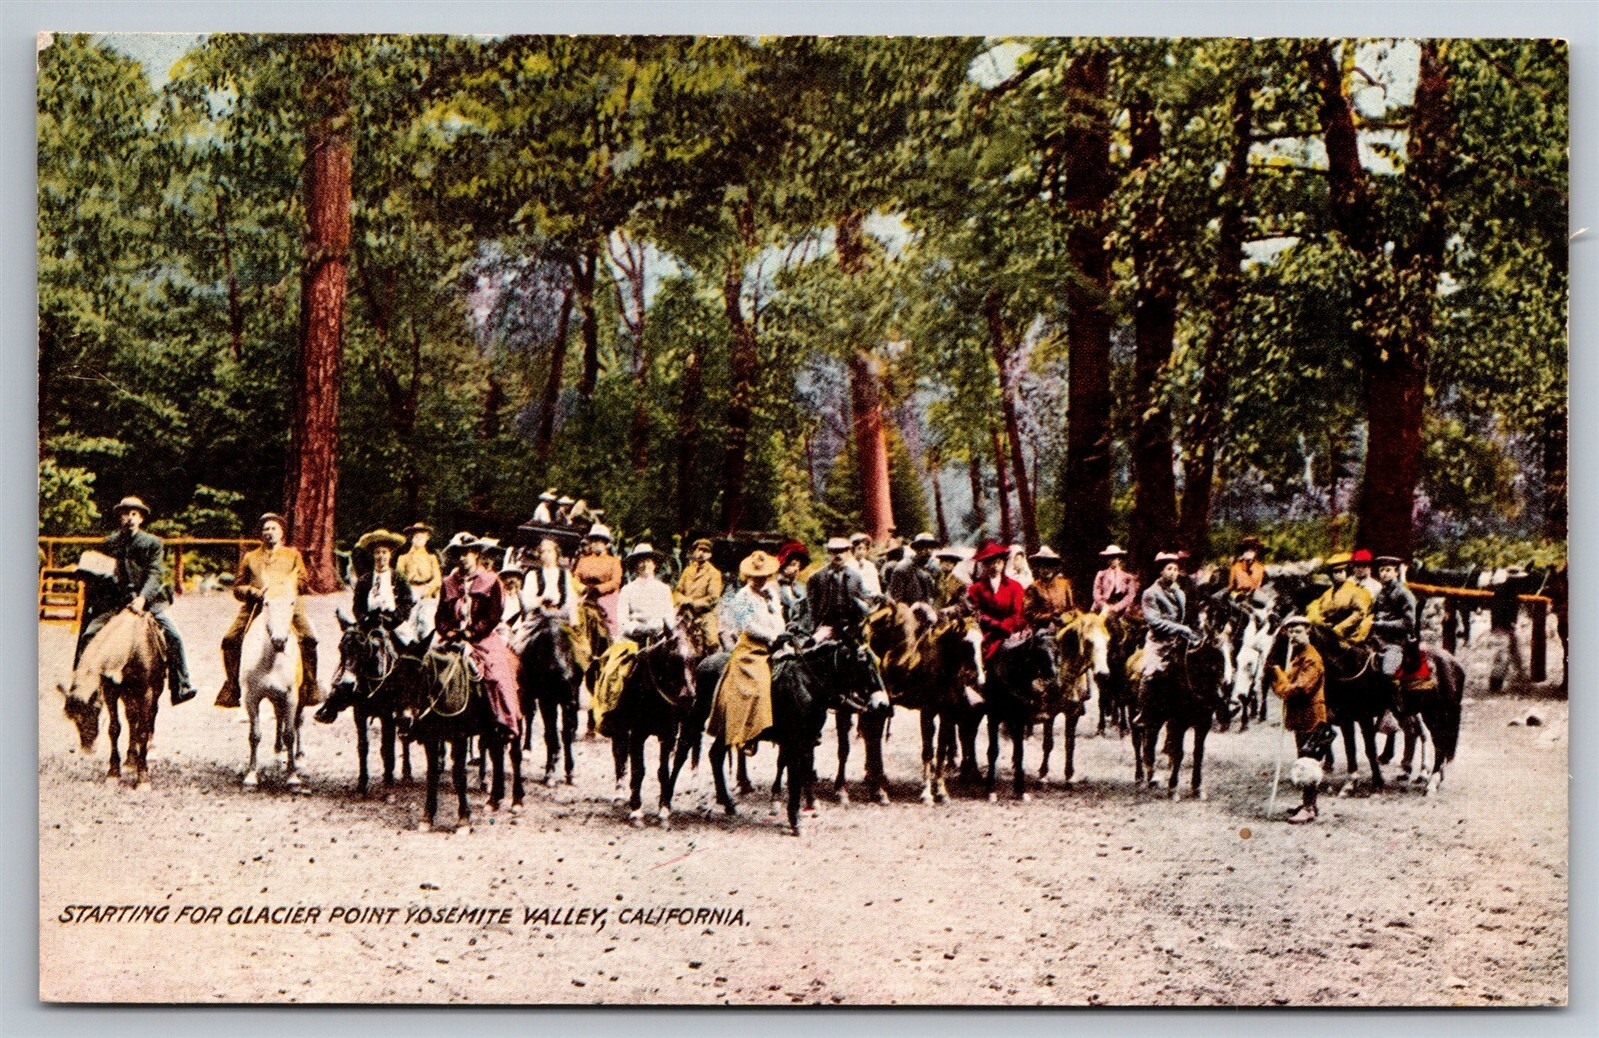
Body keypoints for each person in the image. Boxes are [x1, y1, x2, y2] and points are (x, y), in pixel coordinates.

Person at [74, 496, 197, 705]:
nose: (129, 518)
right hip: (116, 604)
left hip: (145, 603)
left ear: (141, 519)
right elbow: (102, 570)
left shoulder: (153, 543)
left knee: (173, 636)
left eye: (134, 514)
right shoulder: (111, 543)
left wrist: (142, 598)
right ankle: (82, 684)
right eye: (125, 514)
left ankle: (181, 684)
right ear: (119, 518)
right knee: (89, 634)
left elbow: (154, 573)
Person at [216, 513, 320, 708]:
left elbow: (304, 582)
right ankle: (233, 687)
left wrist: (287, 587)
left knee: (308, 637)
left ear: (281, 533)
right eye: (266, 529)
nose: (269, 533)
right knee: (230, 639)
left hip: (287, 605)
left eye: (273, 529)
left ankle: (309, 684)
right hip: (257, 605)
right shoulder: (251, 557)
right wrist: (252, 592)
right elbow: (238, 587)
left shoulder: (292, 555)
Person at [315, 528, 414, 724]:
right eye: (377, 553)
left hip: (393, 624)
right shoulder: (365, 580)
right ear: (372, 556)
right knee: (351, 645)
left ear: (390, 555)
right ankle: (335, 698)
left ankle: (407, 704)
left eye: (384, 553)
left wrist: (394, 618)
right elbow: (357, 605)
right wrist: (364, 619)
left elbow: (406, 602)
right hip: (369, 624)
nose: (381, 557)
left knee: (411, 651)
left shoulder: (398, 578)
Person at [432, 534, 520, 741]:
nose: (462, 558)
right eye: (459, 554)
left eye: (467, 553)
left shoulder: (491, 581)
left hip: (482, 638)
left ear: (476, 554)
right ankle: (424, 719)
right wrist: (449, 632)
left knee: (496, 674)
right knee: (429, 665)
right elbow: (441, 615)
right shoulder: (448, 582)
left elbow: (494, 614)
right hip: (453, 638)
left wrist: (473, 632)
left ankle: (503, 721)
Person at [591, 544, 679, 737]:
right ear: (635, 566)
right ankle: (612, 713)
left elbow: (670, 616)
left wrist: (661, 627)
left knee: (681, 666)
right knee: (615, 671)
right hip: (633, 640)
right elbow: (623, 620)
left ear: (655, 565)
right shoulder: (628, 590)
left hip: (658, 639)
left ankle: (678, 714)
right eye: (640, 561)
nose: (644, 565)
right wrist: (639, 628)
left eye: (648, 561)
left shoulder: (664, 589)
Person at [709, 551, 786, 755]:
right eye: (756, 577)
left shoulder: (771, 594)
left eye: (764, 577)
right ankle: (748, 734)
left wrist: (774, 609)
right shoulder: (742, 597)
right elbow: (748, 626)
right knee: (757, 685)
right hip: (752, 647)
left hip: (776, 643)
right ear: (748, 577)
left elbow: (780, 622)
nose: (760, 581)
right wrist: (771, 637)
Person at [1272, 615, 1333, 824]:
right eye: (1290, 632)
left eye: (1298, 631)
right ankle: (1309, 803)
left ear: (1308, 632)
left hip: (1312, 717)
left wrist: (1278, 678)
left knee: (1309, 762)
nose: (1294, 635)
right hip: (1301, 717)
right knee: (1304, 758)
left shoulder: (1311, 658)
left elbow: (1300, 688)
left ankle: (1308, 809)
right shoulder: (1297, 655)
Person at [1139, 552, 1199, 684]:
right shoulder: (1150, 593)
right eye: (1169, 569)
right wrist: (1182, 628)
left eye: (1176, 569)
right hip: (1159, 643)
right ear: (1161, 571)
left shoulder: (1180, 593)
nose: (1173, 572)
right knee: (1149, 675)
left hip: (1179, 641)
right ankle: (1142, 704)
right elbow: (1155, 622)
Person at [571, 524, 623, 674]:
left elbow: (615, 582)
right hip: (585, 594)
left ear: (606, 544)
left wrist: (599, 589)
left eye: (600, 541)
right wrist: (583, 589)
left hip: (604, 595)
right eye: (594, 541)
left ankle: (611, 657)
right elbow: (575, 578)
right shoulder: (584, 560)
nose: (596, 544)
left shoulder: (614, 561)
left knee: (611, 624)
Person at [1370, 555, 1419, 713]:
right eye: (1381, 570)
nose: (1384, 574)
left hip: (1396, 642)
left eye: (1388, 570)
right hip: (1375, 640)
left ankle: (1397, 709)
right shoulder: (1381, 593)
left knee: (1388, 672)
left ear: (1397, 572)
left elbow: (1408, 623)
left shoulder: (1404, 594)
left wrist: (1381, 624)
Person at [966, 541, 1027, 660]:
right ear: (984, 565)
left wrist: (1005, 627)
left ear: (1004, 562)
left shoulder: (1015, 587)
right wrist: (991, 623)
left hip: (1010, 633)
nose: (995, 565)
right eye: (990, 561)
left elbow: (1017, 613)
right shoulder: (976, 589)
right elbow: (976, 612)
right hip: (986, 634)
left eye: (998, 560)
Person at [1305, 551, 1374, 645]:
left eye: (1342, 571)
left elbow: (1359, 613)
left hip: (1348, 634)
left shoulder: (1358, 591)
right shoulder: (1327, 593)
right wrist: (1318, 621)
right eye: (1335, 572)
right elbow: (1317, 608)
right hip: (1327, 632)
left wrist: (1340, 628)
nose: (1339, 574)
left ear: (1347, 572)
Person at [807, 537, 867, 642]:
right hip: (825, 624)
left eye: (842, 551)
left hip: (850, 625)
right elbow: (810, 605)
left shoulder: (855, 577)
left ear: (849, 553)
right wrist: (813, 627)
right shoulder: (817, 577)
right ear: (829, 553)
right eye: (834, 551)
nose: (838, 555)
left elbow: (861, 600)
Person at [676, 537, 724, 653]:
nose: (702, 554)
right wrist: (683, 600)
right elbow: (678, 591)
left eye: (706, 551)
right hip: (684, 611)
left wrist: (693, 603)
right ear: (694, 552)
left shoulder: (714, 573)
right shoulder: (688, 571)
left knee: (711, 640)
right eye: (699, 550)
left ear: (710, 555)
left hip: (704, 613)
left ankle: (713, 662)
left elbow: (713, 598)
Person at [523, 537, 577, 623]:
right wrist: (540, 600)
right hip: (538, 616)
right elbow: (527, 602)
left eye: (549, 551)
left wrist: (573, 621)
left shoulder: (565, 575)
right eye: (543, 552)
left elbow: (570, 599)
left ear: (556, 554)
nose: (546, 555)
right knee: (522, 635)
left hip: (559, 615)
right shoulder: (532, 575)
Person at [1023, 546, 1075, 627]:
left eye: (1049, 566)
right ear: (1038, 568)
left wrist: (1066, 617)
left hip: (1065, 625)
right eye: (1042, 567)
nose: (1045, 570)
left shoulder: (1065, 584)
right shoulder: (1034, 587)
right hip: (1044, 627)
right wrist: (1049, 617)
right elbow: (1029, 614)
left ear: (1054, 568)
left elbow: (1071, 609)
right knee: (1047, 639)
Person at [885, 532, 939, 607]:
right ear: (916, 549)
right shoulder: (903, 568)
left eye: (931, 547)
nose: (928, 551)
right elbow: (896, 599)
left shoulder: (933, 569)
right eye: (924, 547)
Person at [396, 523, 442, 601]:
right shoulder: (403, 558)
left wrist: (428, 590)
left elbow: (437, 579)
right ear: (411, 537)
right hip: (410, 591)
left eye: (422, 534)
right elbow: (399, 578)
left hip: (428, 592)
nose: (418, 536)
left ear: (427, 537)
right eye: (415, 534)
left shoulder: (431, 558)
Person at [1092, 545, 1139, 617]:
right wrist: (1103, 605)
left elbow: (1130, 595)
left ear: (1119, 559)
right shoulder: (1101, 574)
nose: (1112, 560)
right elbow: (1096, 592)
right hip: (1101, 608)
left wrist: (1117, 607)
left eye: (1114, 557)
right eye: (1109, 558)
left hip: (1120, 610)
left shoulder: (1128, 577)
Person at [775, 540, 812, 633]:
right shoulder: (773, 587)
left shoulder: (801, 589)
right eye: (793, 565)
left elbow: (806, 615)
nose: (796, 569)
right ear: (783, 565)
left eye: (798, 566)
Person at [1227, 537, 1268, 602]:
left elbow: (1261, 587)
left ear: (1256, 551)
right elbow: (1230, 587)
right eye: (1246, 549)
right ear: (1243, 551)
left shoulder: (1260, 568)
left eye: (1252, 549)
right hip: (1238, 599)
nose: (1249, 552)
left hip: (1254, 600)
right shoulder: (1236, 566)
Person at [847, 532, 884, 604]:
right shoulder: (848, 565)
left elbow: (875, 583)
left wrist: (877, 595)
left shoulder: (870, 565)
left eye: (864, 549)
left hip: (872, 598)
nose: (862, 552)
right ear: (853, 549)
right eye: (859, 548)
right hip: (856, 600)